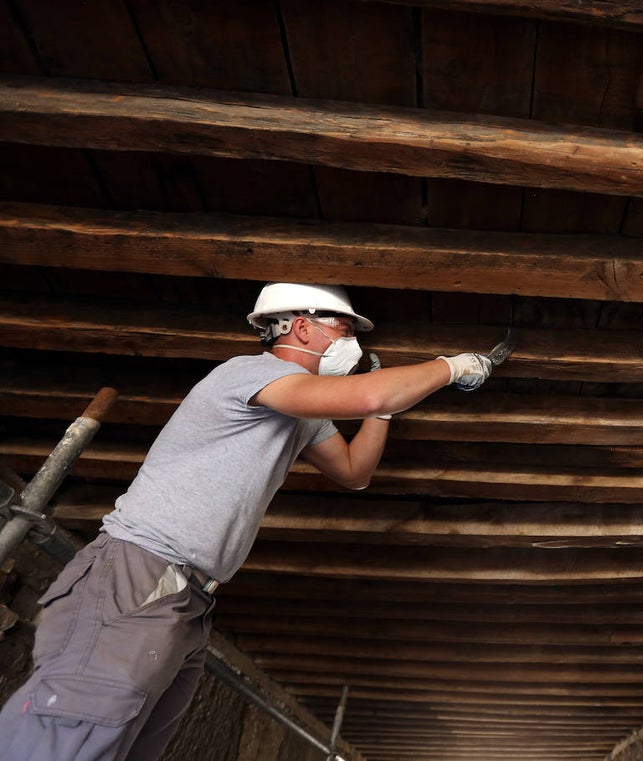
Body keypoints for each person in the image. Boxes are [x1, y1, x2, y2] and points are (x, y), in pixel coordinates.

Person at [0, 282, 495, 761]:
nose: (353, 344)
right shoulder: (248, 373)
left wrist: (385, 411)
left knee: (124, 743)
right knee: (71, 731)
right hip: (140, 571)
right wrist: (451, 366)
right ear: (302, 328)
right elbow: (367, 396)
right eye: (345, 330)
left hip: (188, 597)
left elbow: (354, 472)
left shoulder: (302, 414)